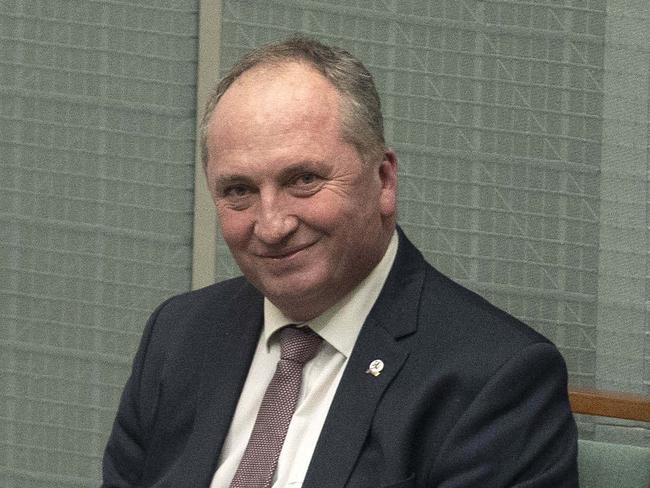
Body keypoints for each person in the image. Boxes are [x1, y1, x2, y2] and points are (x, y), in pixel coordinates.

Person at [102, 36, 579, 487]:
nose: (271, 225)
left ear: (384, 180)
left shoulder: (493, 378)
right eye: (239, 191)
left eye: (303, 179)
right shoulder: (181, 335)